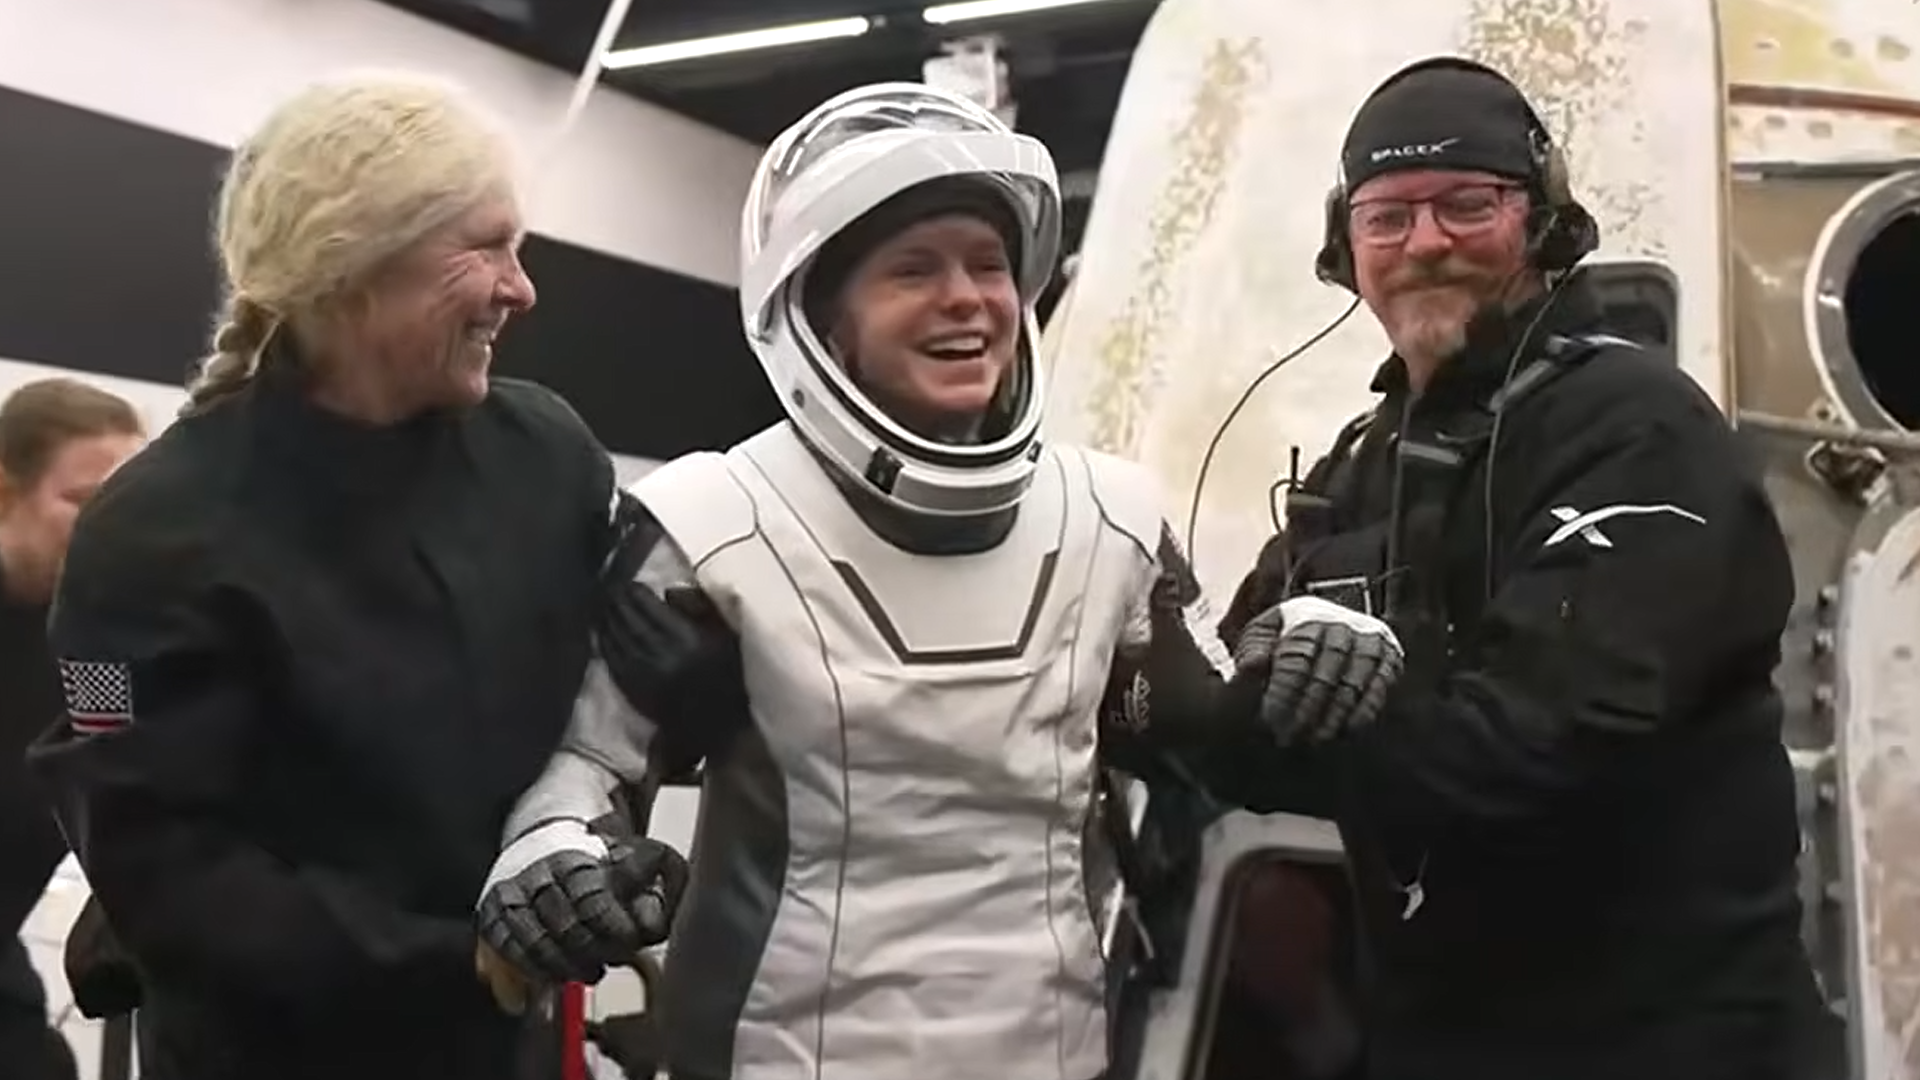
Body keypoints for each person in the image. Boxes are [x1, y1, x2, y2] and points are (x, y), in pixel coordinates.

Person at [472, 82, 1408, 1080]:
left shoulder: (1111, 519)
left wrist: (1319, 643)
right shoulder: (712, 523)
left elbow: (1217, 737)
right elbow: (592, 768)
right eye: (913, 269)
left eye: (989, 265)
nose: (966, 297)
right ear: (821, 320)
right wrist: (551, 854)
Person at [25, 72, 683, 1080]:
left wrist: (589, 840)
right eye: (486, 246)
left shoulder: (545, 455)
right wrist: (465, 961)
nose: (523, 287)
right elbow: (150, 852)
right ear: (353, 265)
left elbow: (604, 711)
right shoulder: (149, 532)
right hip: (274, 1050)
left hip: (510, 1048)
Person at [1216, 57, 1840, 1080]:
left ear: (1539, 221)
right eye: (1388, 216)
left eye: (1468, 203)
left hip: (1674, 1049)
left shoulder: (1639, 427)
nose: (1425, 243)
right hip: (1445, 1040)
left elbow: (1536, 738)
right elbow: (1235, 725)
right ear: (1348, 248)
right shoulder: (1363, 462)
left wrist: (1300, 724)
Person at [0, 379, 145, 1080]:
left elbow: (116, 765)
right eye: (85, 506)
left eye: (130, 512)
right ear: (4, 495)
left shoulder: (92, 653)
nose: (112, 537)